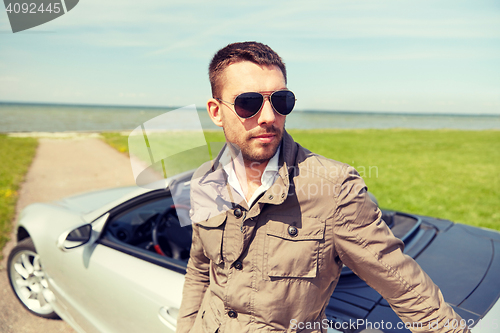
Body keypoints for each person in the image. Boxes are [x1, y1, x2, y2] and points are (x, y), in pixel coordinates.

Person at [176, 41, 469, 333]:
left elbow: (406, 287)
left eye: (281, 101)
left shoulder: (335, 189)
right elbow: (201, 270)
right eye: (248, 103)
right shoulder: (204, 180)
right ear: (216, 112)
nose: (268, 117)